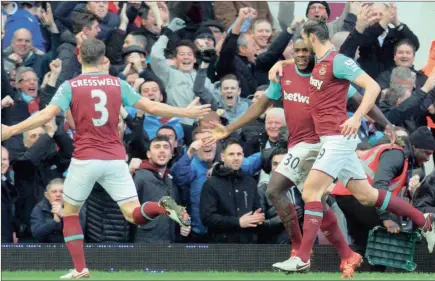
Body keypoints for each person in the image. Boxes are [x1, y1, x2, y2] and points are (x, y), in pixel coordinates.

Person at [1, 38, 211, 279]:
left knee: (69, 214)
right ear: (104, 60)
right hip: (114, 159)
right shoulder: (117, 84)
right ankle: (161, 206)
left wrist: (10, 130)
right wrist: (183, 111)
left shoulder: (70, 86)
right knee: (134, 214)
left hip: (85, 159)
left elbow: (46, 115)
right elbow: (150, 107)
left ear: (79, 57)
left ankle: (80, 268)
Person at [204, 36, 392, 277]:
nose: (301, 54)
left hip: (325, 145)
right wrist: (229, 129)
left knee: (281, 190)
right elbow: (260, 106)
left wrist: (387, 125)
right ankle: (346, 254)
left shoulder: (330, 75)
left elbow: (358, 101)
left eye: (306, 50)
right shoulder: (285, 73)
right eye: (297, 50)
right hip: (299, 147)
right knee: (314, 205)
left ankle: (300, 251)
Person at [276, 18, 434, 275]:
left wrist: (357, 116)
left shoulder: (338, 61)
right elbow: (299, 66)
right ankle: (423, 220)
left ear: (312, 38)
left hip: (338, 137)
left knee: (310, 192)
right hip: (331, 139)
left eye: (304, 41)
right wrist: (281, 64)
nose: (301, 48)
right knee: (367, 195)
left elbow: (371, 86)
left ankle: (302, 257)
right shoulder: (321, 63)